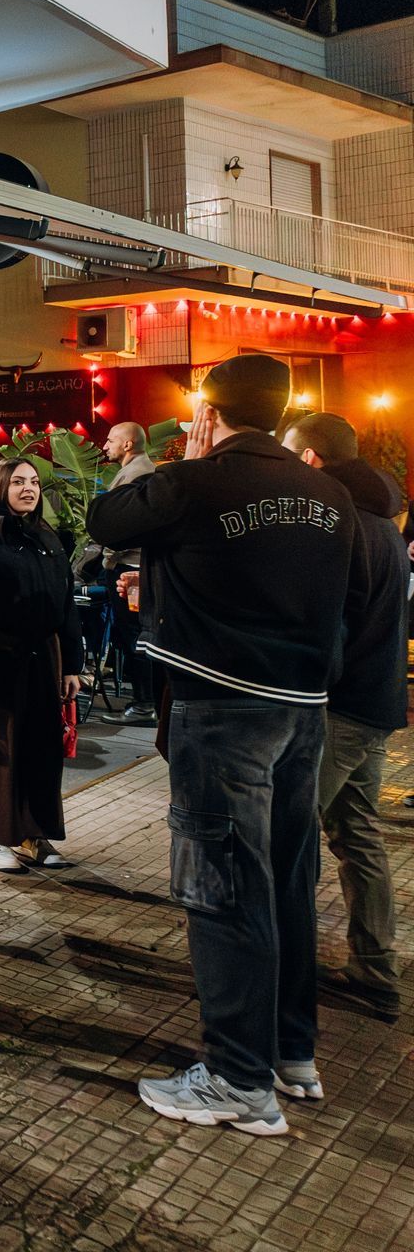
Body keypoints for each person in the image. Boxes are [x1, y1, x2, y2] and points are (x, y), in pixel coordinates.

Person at [88, 353, 356, 1135]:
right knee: (286, 880)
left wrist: (192, 461)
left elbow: (107, 520)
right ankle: (290, 1052)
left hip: (223, 705)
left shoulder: (197, 483)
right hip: (303, 708)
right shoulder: (330, 494)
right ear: (282, 411)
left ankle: (239, 1080)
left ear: (210, 410)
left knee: (224, 885)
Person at [281, 412, 406, 1021]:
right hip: (376, 703)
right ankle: (375, 969)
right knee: (357, 834)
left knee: (290, 834)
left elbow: (332, 624)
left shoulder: (342, 525)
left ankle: (284, 968)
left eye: (287, 454)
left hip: (340, 708)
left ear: (310, 460)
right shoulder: (383, 521)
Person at [0, 457, 83, 872]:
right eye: (18, 482)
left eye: (33, 482)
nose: (28, 489)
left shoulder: (46, 534)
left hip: (43, 654)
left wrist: (72, 664)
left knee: (42, 747)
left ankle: (32, 833)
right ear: (0, 486)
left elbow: (66, 601)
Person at [101, 421, 158, 724]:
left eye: (110, 440)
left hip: (129, 567)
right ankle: (146, 700)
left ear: (127, 444)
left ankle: (144, 703)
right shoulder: (140, 470)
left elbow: (121, 524)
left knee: (135, 635)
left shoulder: (136, 474)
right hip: (131, 564)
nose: (105, 446)